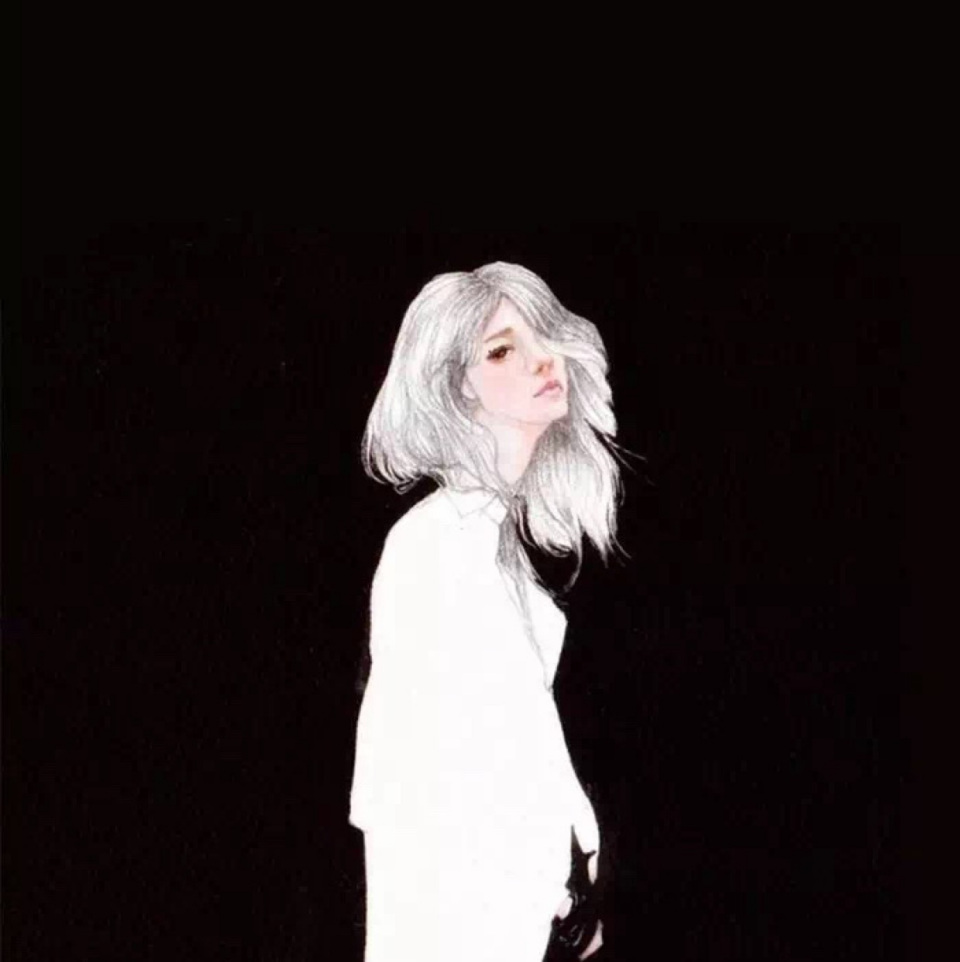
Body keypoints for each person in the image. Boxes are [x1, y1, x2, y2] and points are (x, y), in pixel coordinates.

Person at [349, 262, 624, 961]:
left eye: (543, 338)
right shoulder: (431, 546)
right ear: (454, 389)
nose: (542, 360)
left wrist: (574, 871)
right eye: (501, 351)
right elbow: (410, 787)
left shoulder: (491, 550)